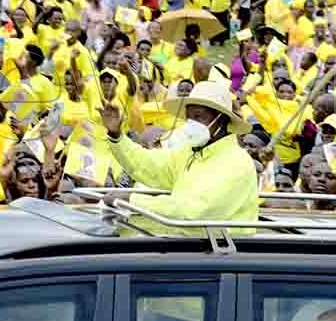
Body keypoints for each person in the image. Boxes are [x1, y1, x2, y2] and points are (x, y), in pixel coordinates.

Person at [99, 81, 258, 223]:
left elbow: (196, 210)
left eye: (198, 116)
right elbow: (147, 165)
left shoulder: (237, 162)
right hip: (184, 244)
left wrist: (132, 200)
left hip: (220, 251)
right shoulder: (189, 153)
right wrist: (117, 136)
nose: (191, 124)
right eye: (188, 118)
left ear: (221, 120)